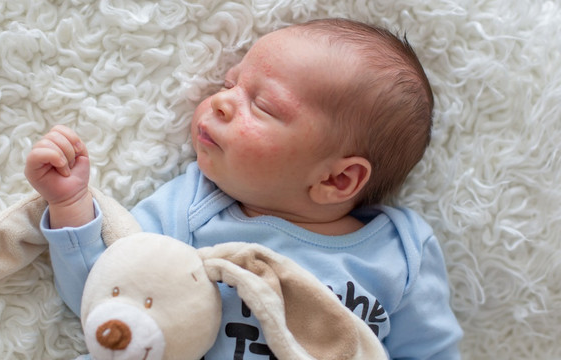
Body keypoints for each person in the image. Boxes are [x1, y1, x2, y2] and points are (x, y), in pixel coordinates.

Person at [25, 18, 462, 359]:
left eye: (263, 105)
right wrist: (71, 204)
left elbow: (430, 351)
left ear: (336, 180)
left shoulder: (401, 250)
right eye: (230, 83)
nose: (220, 100)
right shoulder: (193, 207)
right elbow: (106, 293)